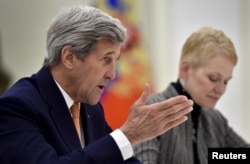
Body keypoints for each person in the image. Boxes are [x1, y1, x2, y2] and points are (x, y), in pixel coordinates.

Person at [0, 5, 193, 164]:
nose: (112, 74)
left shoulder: (91, 108)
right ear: (69, 57)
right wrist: (129, 134)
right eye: (105, 59)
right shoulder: (16, 107)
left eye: (116, 61)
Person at [133, 26, 250, 164]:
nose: (221, 89)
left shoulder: (215, 120)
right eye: (213, 78)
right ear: (185, 69)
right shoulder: (154, 109)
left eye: (226, 81)